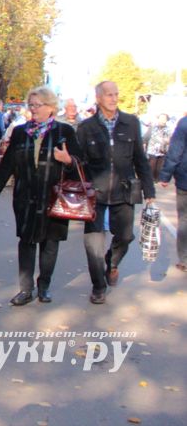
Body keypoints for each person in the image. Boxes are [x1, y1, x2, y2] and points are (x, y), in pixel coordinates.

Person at [0, 86, 83, 305]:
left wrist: (68, 160)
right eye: (31, 105)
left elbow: (81, 165)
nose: (34, 109)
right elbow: (8, 164)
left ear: (51, 107)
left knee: (50, 243)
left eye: (38, 105)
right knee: (26, 242)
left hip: (54, 198)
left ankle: (44, 286)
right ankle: (25, 290)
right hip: (25, 196)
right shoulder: (21, 132)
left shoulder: (64, 132)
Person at [76, 81, 155, 304]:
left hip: (124, 191)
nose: (113, 98)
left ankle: (111, 263)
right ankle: (98, 287)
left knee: (126, 236)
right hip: (95, 193)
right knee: (93, 244)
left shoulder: (131, 123)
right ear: (98, 98)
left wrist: (149, 192)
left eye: (116, 94)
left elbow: (140, 159)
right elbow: (79, 162)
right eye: (109, 94)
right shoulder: (86, 127)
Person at [159, 115, 187, 272]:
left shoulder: (184, 124)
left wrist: (165, 175)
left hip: (185, 180)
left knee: (184, 219)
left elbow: (175, 152)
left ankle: (185, 260)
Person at [144, 113, 171, 182]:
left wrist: (167, 141)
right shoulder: (153, 127)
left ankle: (156, 178)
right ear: (158, 119)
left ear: (167, 120)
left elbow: (170, 139)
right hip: (152, 149)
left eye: (164, 119)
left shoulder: (168, 129)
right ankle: (150, 179)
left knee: (159, 167)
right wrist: (144, 144)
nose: (163, 120)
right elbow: (146, 137)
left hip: (162, 150)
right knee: (152, 165)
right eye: (161, 118)